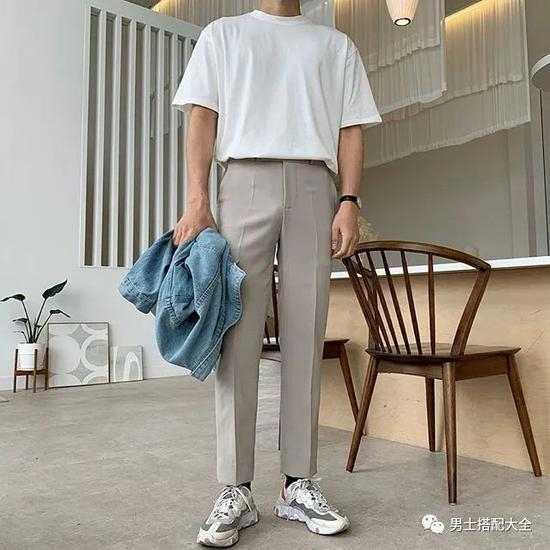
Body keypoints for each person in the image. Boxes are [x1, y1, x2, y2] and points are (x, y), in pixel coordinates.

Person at [172, 1, 381, 546]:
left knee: (306, 333)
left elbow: (350, 128)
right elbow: (202, 117)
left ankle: (298, 482)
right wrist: (197, 200)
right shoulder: (224, 35)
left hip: (315, 185)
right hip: (243, 180)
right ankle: (235, 488)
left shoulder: (335, 46)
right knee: (236, 333)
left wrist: (349, 201)